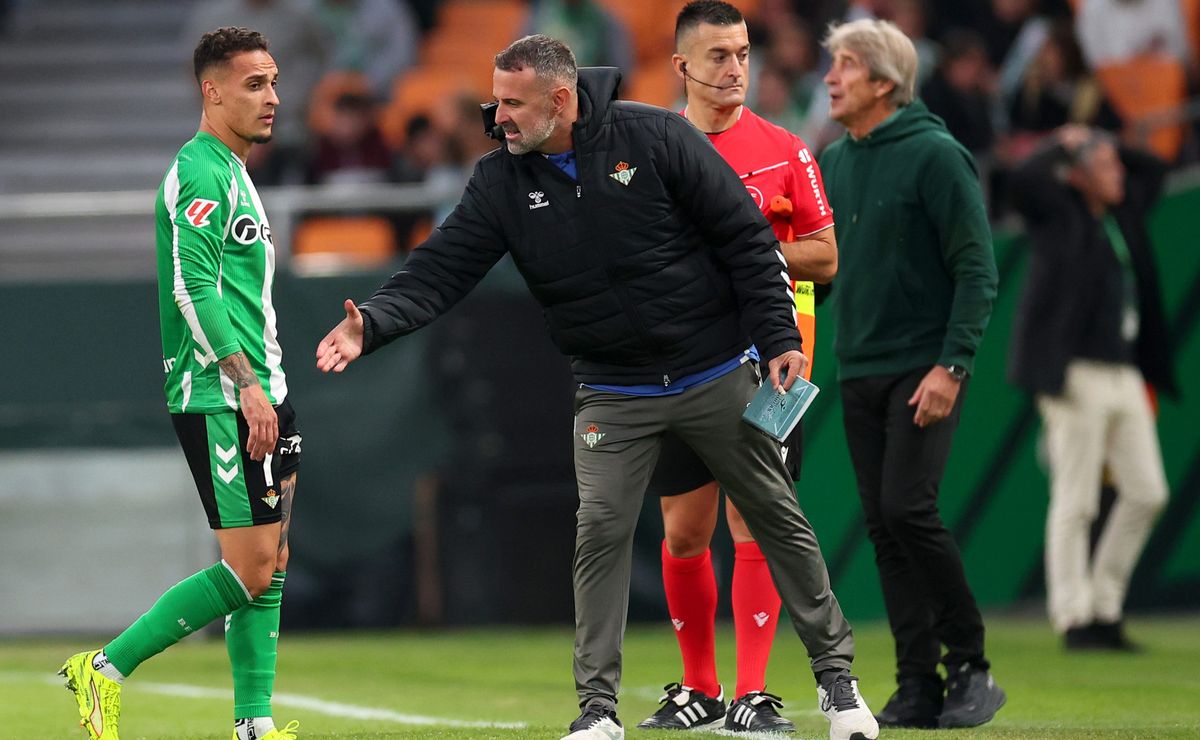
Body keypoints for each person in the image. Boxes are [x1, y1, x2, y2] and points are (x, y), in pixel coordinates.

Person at [316, 33, 878, 740]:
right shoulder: (499, 180)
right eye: (495, 104)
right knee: (601, 531)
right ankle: (598, 712)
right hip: (614, 390)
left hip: (714, 368)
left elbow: (744, 239)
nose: (499, 120)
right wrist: (371, 322)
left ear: (561, 100)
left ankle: (838, 683)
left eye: (514, 105)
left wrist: (781, 341)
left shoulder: (656, 136)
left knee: (775, 514)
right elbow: (442, 267)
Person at [60, 27, 302, 740]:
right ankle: (103, 667)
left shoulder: (234, 170)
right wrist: (248, 384)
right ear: (212, 90)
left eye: (274, 81)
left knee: (273, 561)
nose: (272, 98)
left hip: (263, 386)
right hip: (221, 394)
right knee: (251, 567)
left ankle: (253, 726)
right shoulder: (198, 172)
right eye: (254, 84)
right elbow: (192, 288)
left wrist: (270, 384)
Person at [635, 2, 837, 733]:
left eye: (744, 53)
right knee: (685, 530)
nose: (735, 68)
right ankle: (700, 689)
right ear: (682, 64)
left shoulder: (787, 149)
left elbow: (825, 254)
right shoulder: (650, 151)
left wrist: (746, 244)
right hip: (683, 364)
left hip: (776, 367)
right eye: (718, 55)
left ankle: (752, 694)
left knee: (757, 521)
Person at [818, 18, 1005, 730]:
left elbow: (977, 270)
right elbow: (828, 275)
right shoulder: (833, 161)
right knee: (885, 527)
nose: (830, 78)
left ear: (885, 83)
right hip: (858, 366)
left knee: (907, 510)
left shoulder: (936, 154)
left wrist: (952, 366)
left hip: (922, 368)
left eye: (845, 66)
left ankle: (972, 665)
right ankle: (915, 684)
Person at [1008, 125, 1175, 651]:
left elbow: (1154, 169)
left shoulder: (1122, 214)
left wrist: (1106, 144)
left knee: (1148, 492)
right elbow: (1022, 180)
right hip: (1073, 371)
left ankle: (1105, 604)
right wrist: (1063, 142)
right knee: (1076, 499)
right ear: (1078, 177)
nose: (1119, 174)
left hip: (1124, 370)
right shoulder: (1060, 216)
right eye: (1105, 168)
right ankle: (1074, 615)